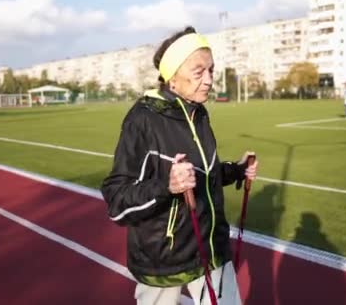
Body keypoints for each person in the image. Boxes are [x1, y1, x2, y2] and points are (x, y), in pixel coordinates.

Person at [101, 26, 258, 305]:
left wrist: (236, 169)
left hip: (210, 248)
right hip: (162, 261)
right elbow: (117, 200)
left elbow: (201, 174)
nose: (209, 80)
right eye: (199, 72)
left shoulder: (198, 112)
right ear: (172, 79)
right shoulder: (142, 120)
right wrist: (167, 186)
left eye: (212, 70)